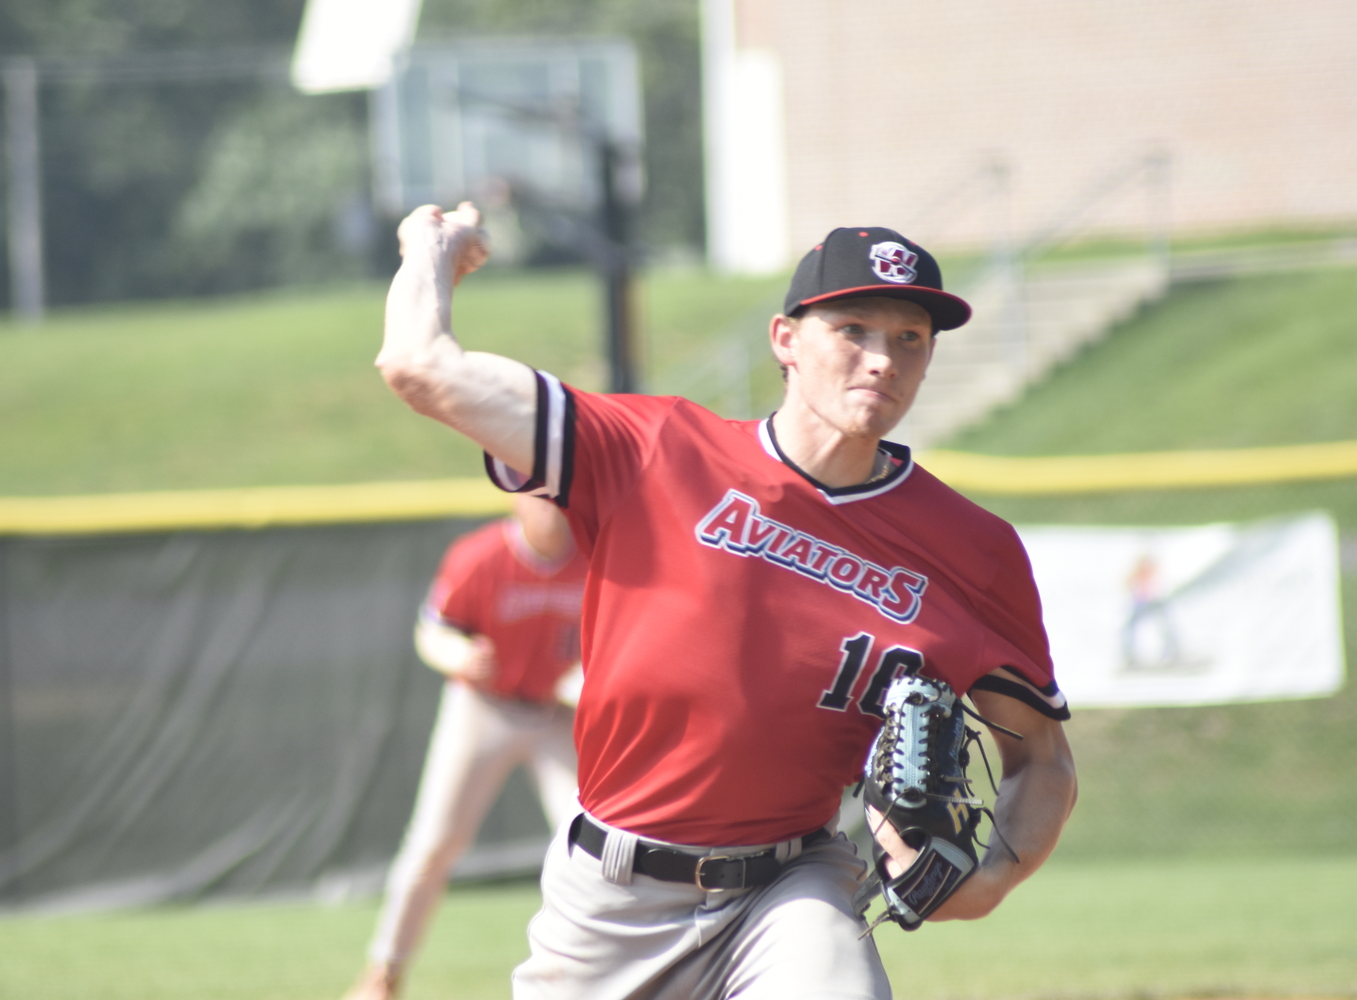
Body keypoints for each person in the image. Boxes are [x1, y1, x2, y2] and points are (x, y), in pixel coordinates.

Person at [375, 202, 1078, 1000]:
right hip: (611, 900)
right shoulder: (652, 450)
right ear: (786, 340)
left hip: (793, 888)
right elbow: (417, 367)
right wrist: (429, 252)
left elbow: (1043, 759)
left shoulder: (972, 550)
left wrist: (987, 884)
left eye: (909, 338)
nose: (882, 358)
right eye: (853, 329)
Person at [344, 493, 588, 1000]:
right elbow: (432, 629)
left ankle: (592, 978)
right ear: (515, 502)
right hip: (484, 707)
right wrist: (457, 653)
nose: (549, 507)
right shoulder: (480, 554)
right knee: (434, 842)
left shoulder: (596, 555)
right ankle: (383, 975)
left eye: (557, 496)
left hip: (555, 714)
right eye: (537, 496)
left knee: (585, 847)